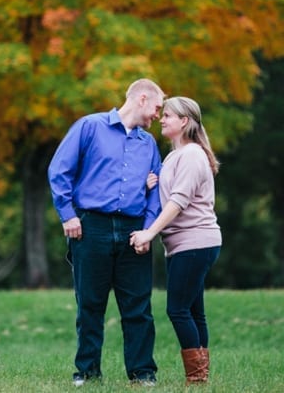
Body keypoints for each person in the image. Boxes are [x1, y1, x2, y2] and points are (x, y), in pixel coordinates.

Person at [48, 78, 165, 387]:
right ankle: (86, 372)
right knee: (90, 303)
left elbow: (156, 194)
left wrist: (148, 231)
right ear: (141, 99)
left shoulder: (148, 144)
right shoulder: (90, 127)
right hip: (91, 227)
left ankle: (142, 373)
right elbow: (59, 170)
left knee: (138, 306)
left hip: (133, 230)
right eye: (156, 108)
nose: (157, 115)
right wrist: (68, 214)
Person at [129, 97, 221, 384]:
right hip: (186, 245)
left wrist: (149, 232)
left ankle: (196, 378)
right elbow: (168, 196)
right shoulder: (173, 157)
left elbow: (178, 202)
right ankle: (200, 376)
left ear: (184, 121)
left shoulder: (192, 154)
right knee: (194, 310)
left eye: (168, 115)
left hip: (195, 242)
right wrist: (148, 186)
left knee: (177, 309)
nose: (161, 118)